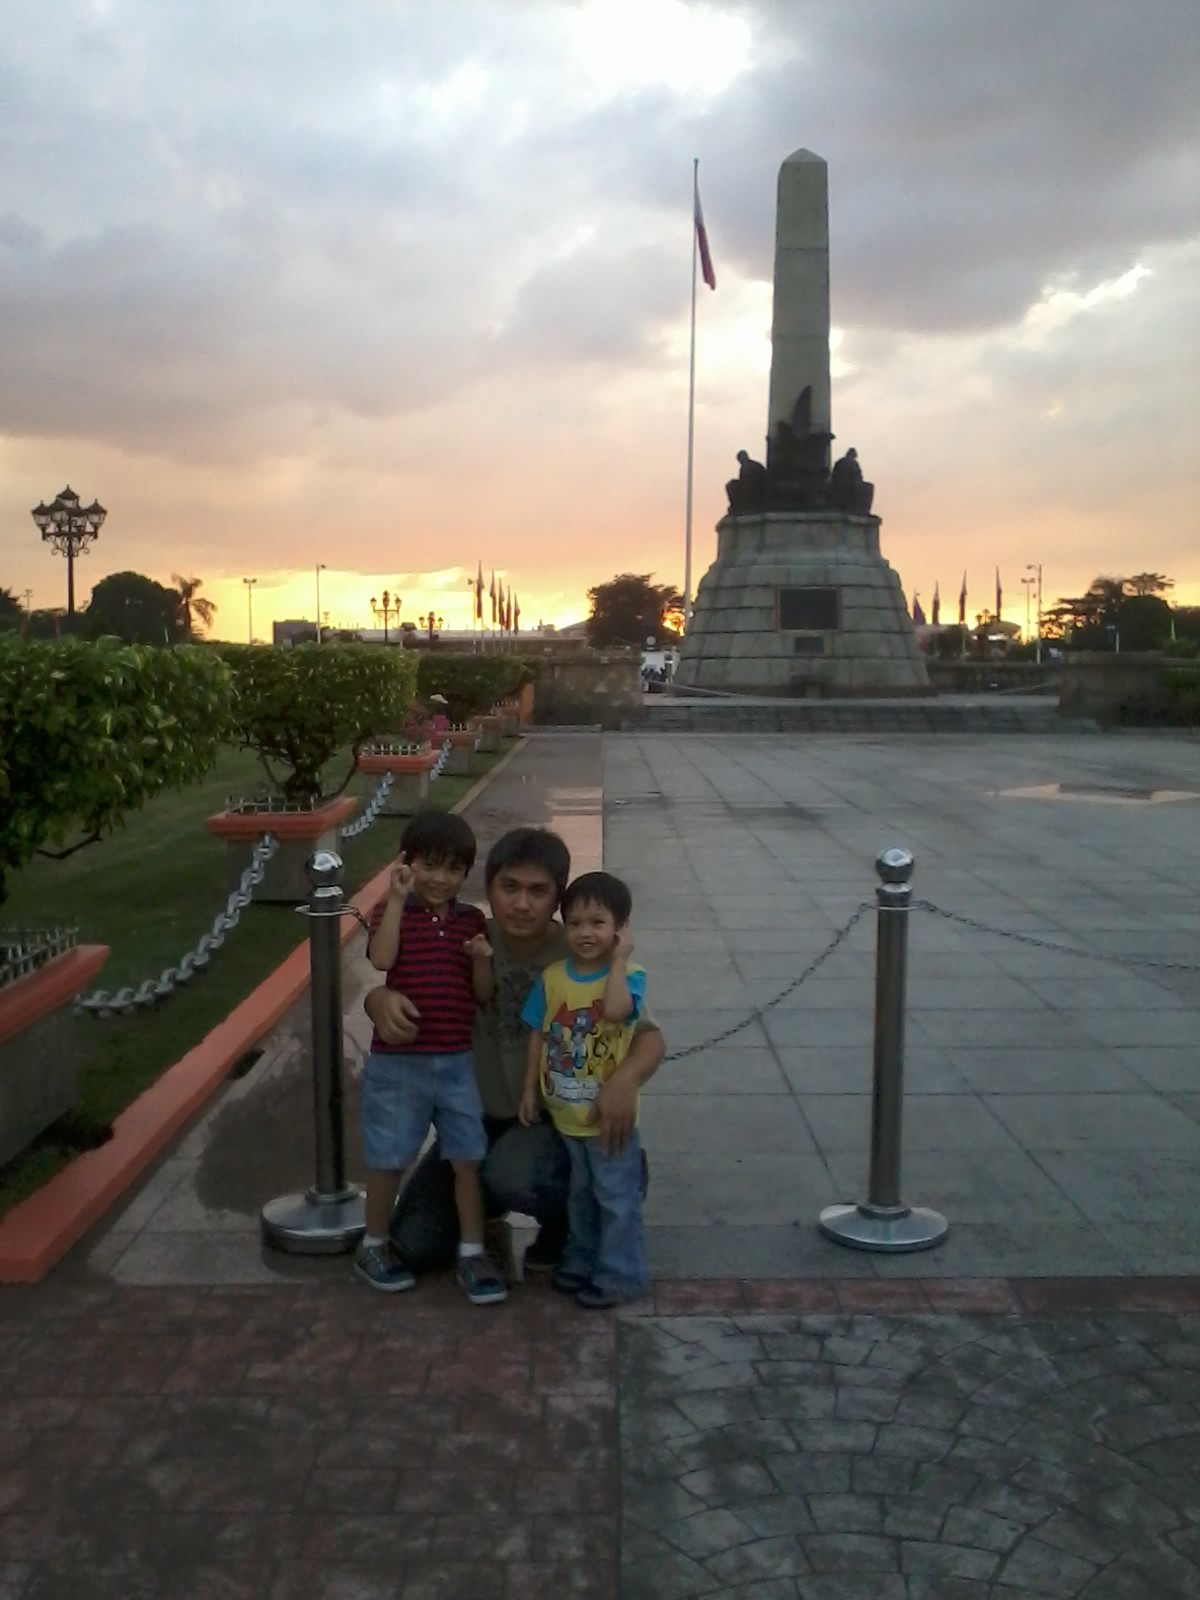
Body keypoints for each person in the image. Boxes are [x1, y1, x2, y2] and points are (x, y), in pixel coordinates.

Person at [363, 827, 665, 1276]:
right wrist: (377, 1000)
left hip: (553, 1121)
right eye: (509, 888)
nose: (522, 904)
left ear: (558, 898)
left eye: (538, 891)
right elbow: (400, 977)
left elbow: (649, 1036)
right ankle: (484, 1207)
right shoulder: (466, 939)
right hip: (470, 1119)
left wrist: (625, 1079)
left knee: (512, 1174)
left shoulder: (581, 953)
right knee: (415, 1242)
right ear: (488, 889)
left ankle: (570, 1217)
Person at [358, 810, 507, 1306]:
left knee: (468, 1157)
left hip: (456, 1060)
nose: (440, 879)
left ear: (466, 874)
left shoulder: (471, 920)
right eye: (429, 865)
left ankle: (471, 1250)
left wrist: (482, 961)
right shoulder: (391, 909)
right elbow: (381, 960)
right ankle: (373, 1244)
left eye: (453, 869)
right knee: (389, 1157)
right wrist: (398, 897)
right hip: (401, 1064)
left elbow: (481, 995)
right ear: (407, 864)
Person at [519, 871, 650, 1309]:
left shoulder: (629, 976)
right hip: (567, 1114)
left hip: (608, 1121)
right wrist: (529, 1090)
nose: (585, 933)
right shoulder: (553, 976)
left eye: (598, 922)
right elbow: (537, 1033)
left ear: (620, 927)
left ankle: (620, 1274)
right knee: (581, 1196)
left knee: (615, 1197)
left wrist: (619, 959)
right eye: (575, 923)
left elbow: (615, 1012)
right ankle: (581, 1259)